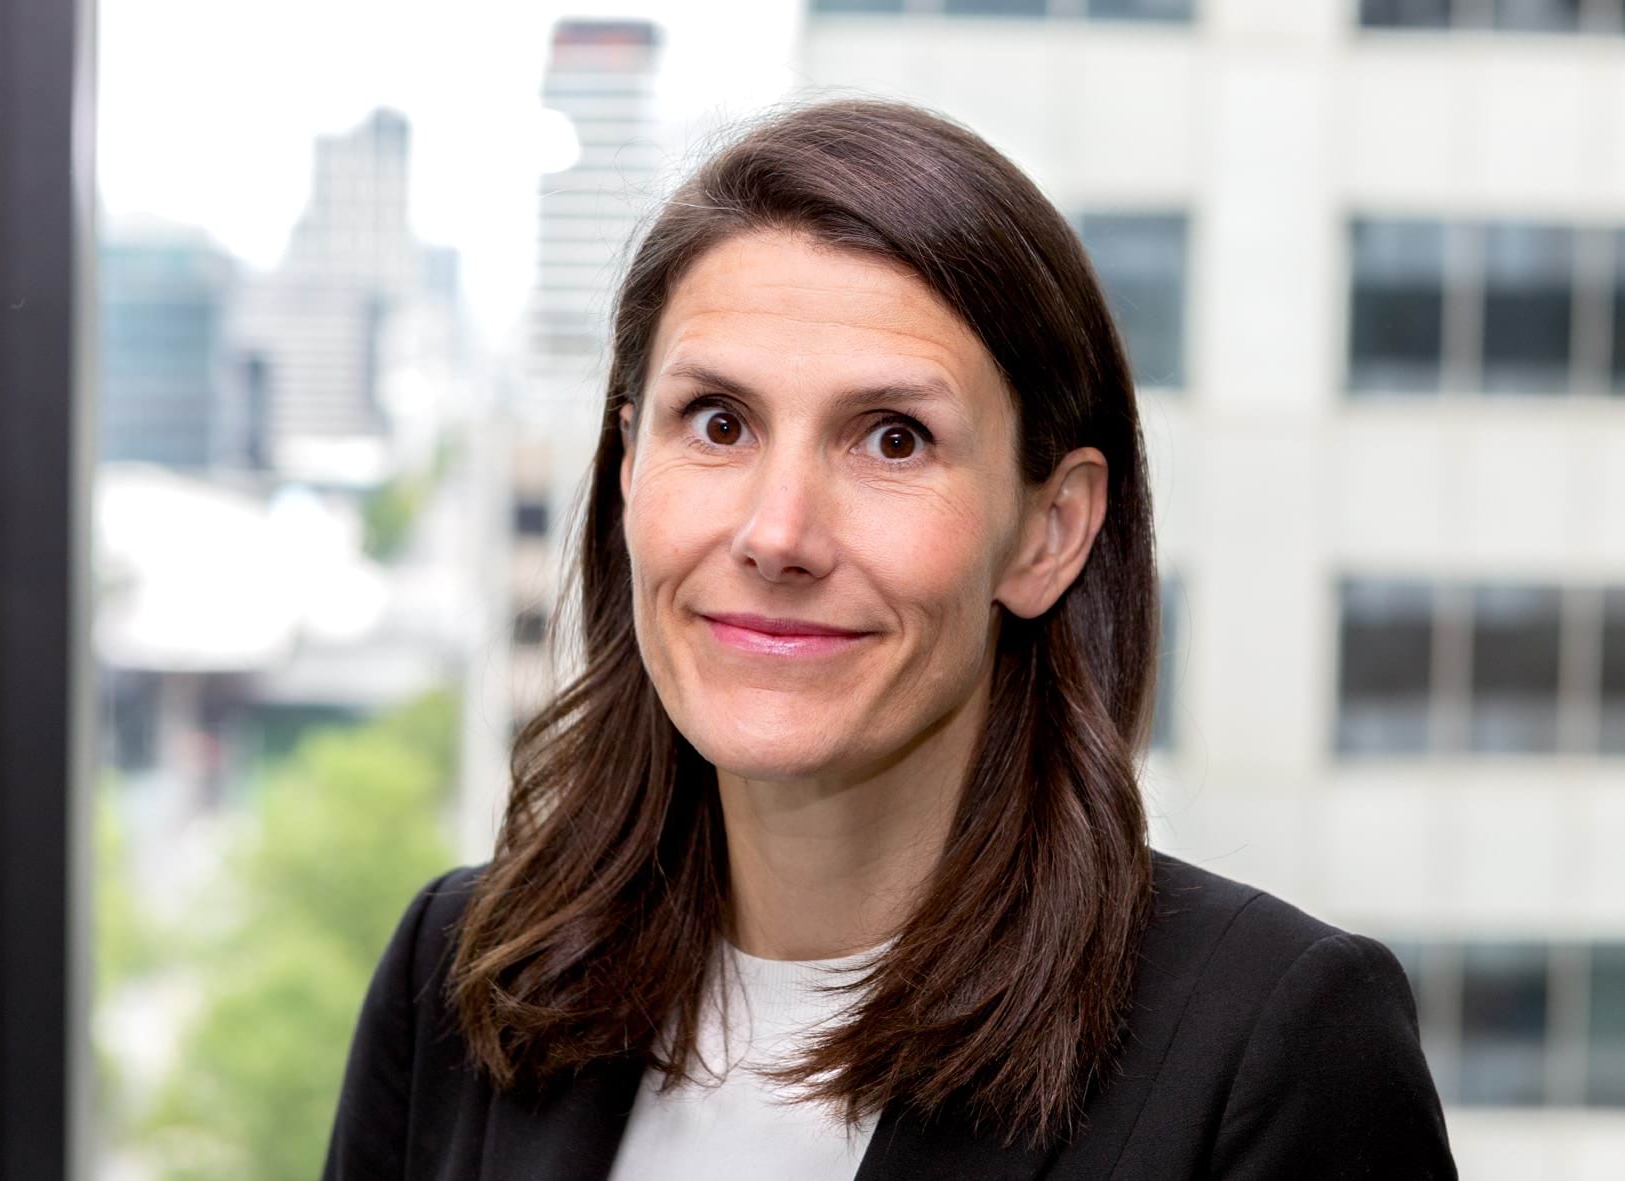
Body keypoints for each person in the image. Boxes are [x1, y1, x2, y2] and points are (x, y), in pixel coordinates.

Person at [321, 97, 1458, 1180]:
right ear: (627, 466)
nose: (778, 533)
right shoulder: (465, 973)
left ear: (1048, 532)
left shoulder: (1272, 1044)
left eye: (893, 439)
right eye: (717, 422)